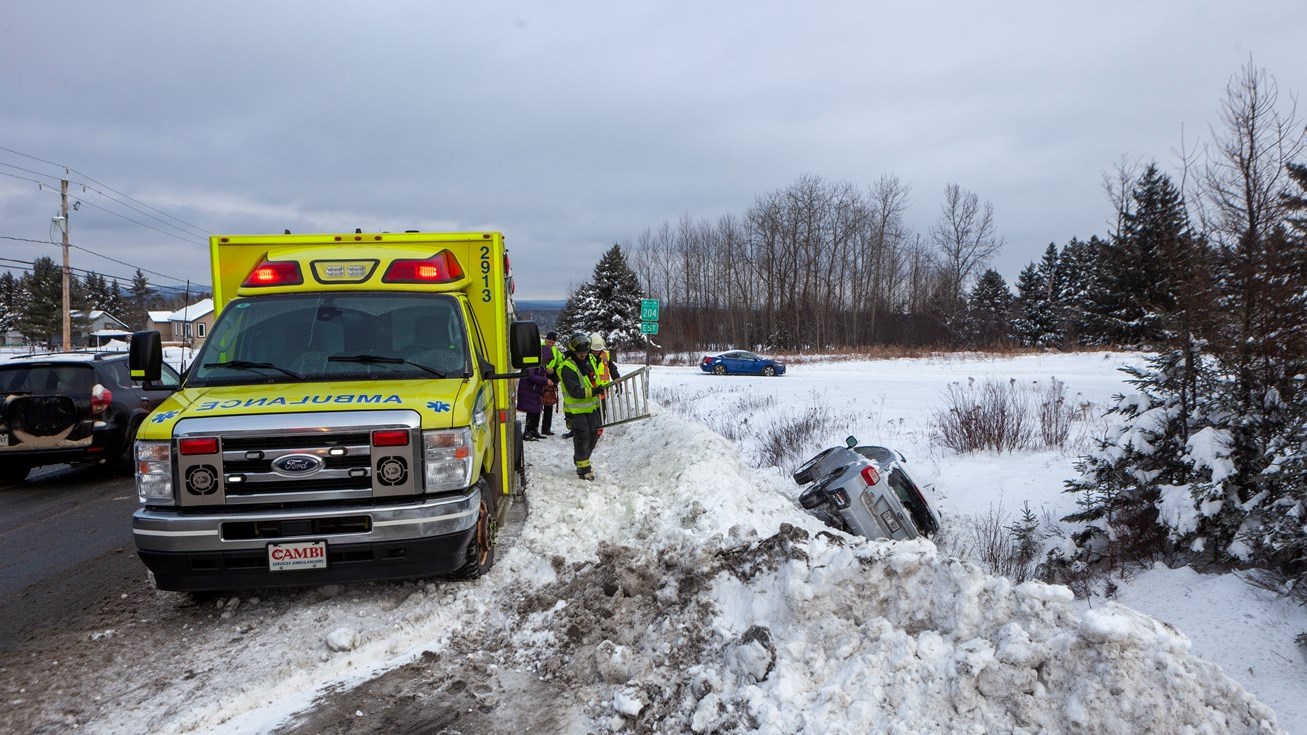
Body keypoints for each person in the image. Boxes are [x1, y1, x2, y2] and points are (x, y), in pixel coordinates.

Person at [557, 331, 605, 480]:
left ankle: (580, 460)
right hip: (576, 411)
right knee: (582, 438)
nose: (583, 355)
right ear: (573, 352)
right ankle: (584, 470)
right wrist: (595, 391)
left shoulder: (589, 360)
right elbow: (575, 391)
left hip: (591, 409)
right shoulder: (567, 367)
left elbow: (594, 379)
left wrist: (602, 387)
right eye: (580, 353)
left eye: (585, 352)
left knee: (593, 437)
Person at [588, 332, 621, 431]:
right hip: (590, 389)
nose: (597, 352)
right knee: (586, 411)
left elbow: (613, 370)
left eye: (599, 350)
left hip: (603, 390)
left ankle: (598, 432)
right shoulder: (585, 356)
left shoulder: (606, 355)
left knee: (601, 412)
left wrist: (618, 383)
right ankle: (580, 430)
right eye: (594, 350)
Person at [516, 355, 548, 441]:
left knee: (536, 410)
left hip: (534, 390)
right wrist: (545, 381)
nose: (547, 361)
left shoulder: (540, 365)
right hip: (529, 390)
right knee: (532, 411)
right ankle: (528, 432)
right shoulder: (533, 364)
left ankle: (534, 430)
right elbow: (531, 376)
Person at [540, 331, 563, 436]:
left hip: (551, 379)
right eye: (549, 342)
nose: (550, 344)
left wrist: (554, 371)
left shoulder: (557, 352)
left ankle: (546, 428)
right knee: (537, 404)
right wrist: (545, 369)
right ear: (546, 340)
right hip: (540, 377)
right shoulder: (540, 347)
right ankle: (534, 428)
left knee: (548, 404)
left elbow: (560, 365)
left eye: (552, 342)